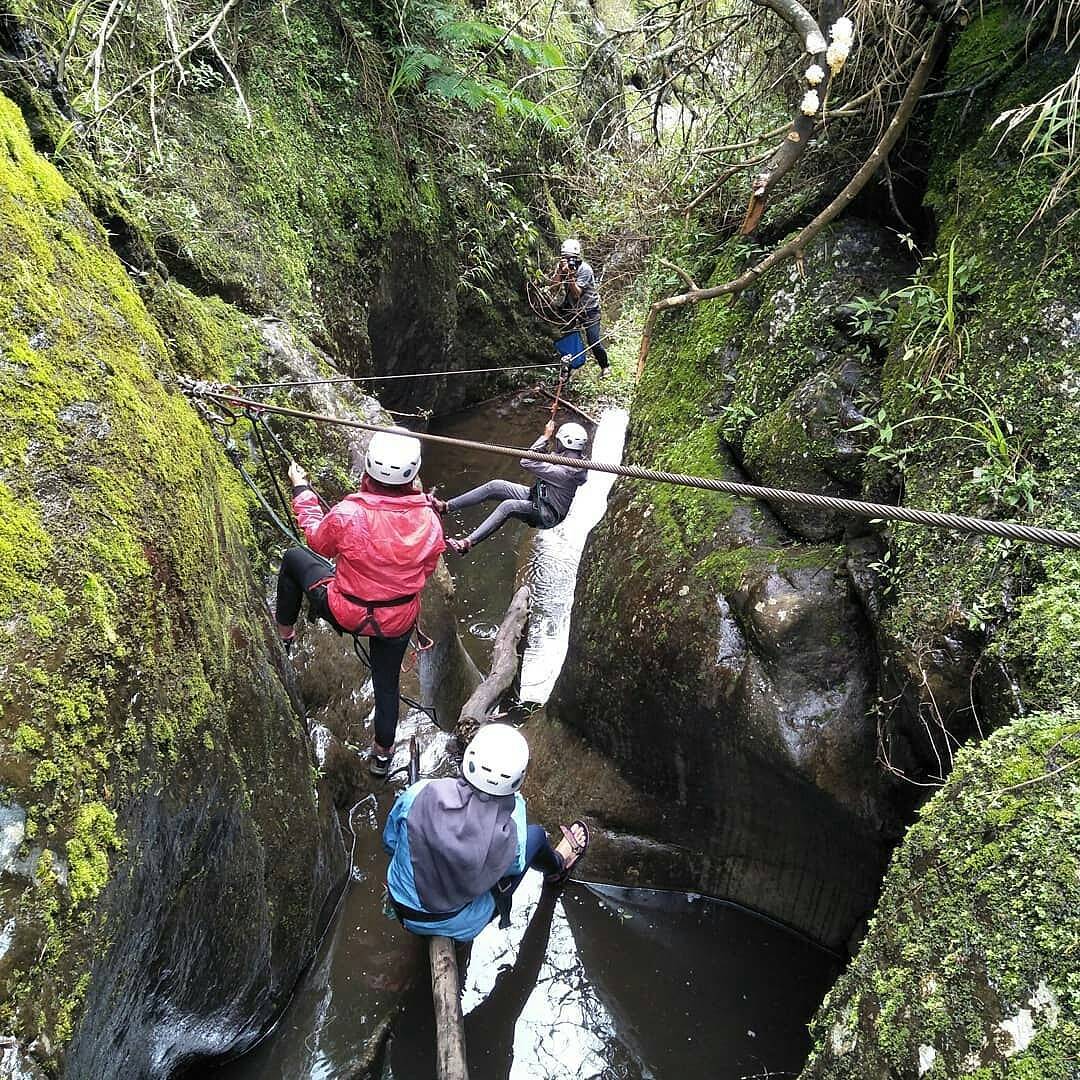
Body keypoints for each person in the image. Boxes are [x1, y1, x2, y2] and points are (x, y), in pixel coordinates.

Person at [275, 429, 445, 777]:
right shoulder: (429, 520)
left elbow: (317, 542)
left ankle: (284, 637)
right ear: (413, 476)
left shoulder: (349, 512)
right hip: (396, 621)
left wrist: (301, 489)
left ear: (367, 471)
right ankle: (382, 759)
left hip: (346, 610)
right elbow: (426, 571)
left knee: (294, 559)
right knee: (387, 684)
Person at [383, 723, 589, 942]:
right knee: (536, 836)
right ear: (518, 779)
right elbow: (514, 866)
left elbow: (390, 841)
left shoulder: (419, 792)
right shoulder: (508, 834)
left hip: (400, 903)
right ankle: (557, 868)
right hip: (451, 923)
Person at [433, 420, 589, 555]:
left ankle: (467, 544)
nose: (557, 443)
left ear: (565, 443)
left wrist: (545, 437)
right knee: (495, 486)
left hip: (547, 513)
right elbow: (545, 458)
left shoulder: (565, 472)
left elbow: (526, 462)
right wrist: (544, 444)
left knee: (508, 506)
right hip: (539, 497)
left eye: (558, 441)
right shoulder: (569, 459)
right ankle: (445, 507)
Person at [552, 238, 609, 376]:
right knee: (567, 337)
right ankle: (569, 367)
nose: (569, 261)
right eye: (566, 258)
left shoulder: (585, 269)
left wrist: (570, 276)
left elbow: (577, 293)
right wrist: (560, 272)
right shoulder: (562, 267)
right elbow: (554, 288)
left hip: (590, 310)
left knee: (593, 341)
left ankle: (605, 367)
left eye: (572, 258)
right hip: (572, 309)